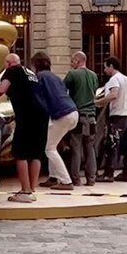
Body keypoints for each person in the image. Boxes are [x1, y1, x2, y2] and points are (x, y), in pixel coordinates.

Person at [0, 53, 48, 203]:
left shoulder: (12, 70)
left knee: (20, 152)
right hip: (43, 114)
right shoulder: (30, 73)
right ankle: (31, 189)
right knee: (36, 153)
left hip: (27, 115)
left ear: (7, 63)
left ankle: (25, 191)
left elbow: (1, 89)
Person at [30, 51, 78, 191]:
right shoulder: (55, 77)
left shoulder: (39, 77)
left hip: (61, 114)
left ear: (35, 65)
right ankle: (53, 177)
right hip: (72, 112)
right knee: (52, 145)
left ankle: (66, 181)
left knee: (49, 148)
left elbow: (39, 101)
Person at [97, 57, 127, 182]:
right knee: (126, 145)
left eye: (105, 67)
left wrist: (97, 102)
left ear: (111, 66)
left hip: (118, 115)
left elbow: (113, 95)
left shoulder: (114, 79)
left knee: (112, 144)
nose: (104, 70)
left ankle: (108, 173)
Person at [64, 51, 98, 186]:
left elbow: (62, 89)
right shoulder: (93, 75)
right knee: (90, 148)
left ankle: (75, 178)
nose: (71, 63)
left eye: (72, 60)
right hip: (92, 117)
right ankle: (91, 179)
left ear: (78, 60)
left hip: (79, 116)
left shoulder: (72, 74)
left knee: (76, 148)